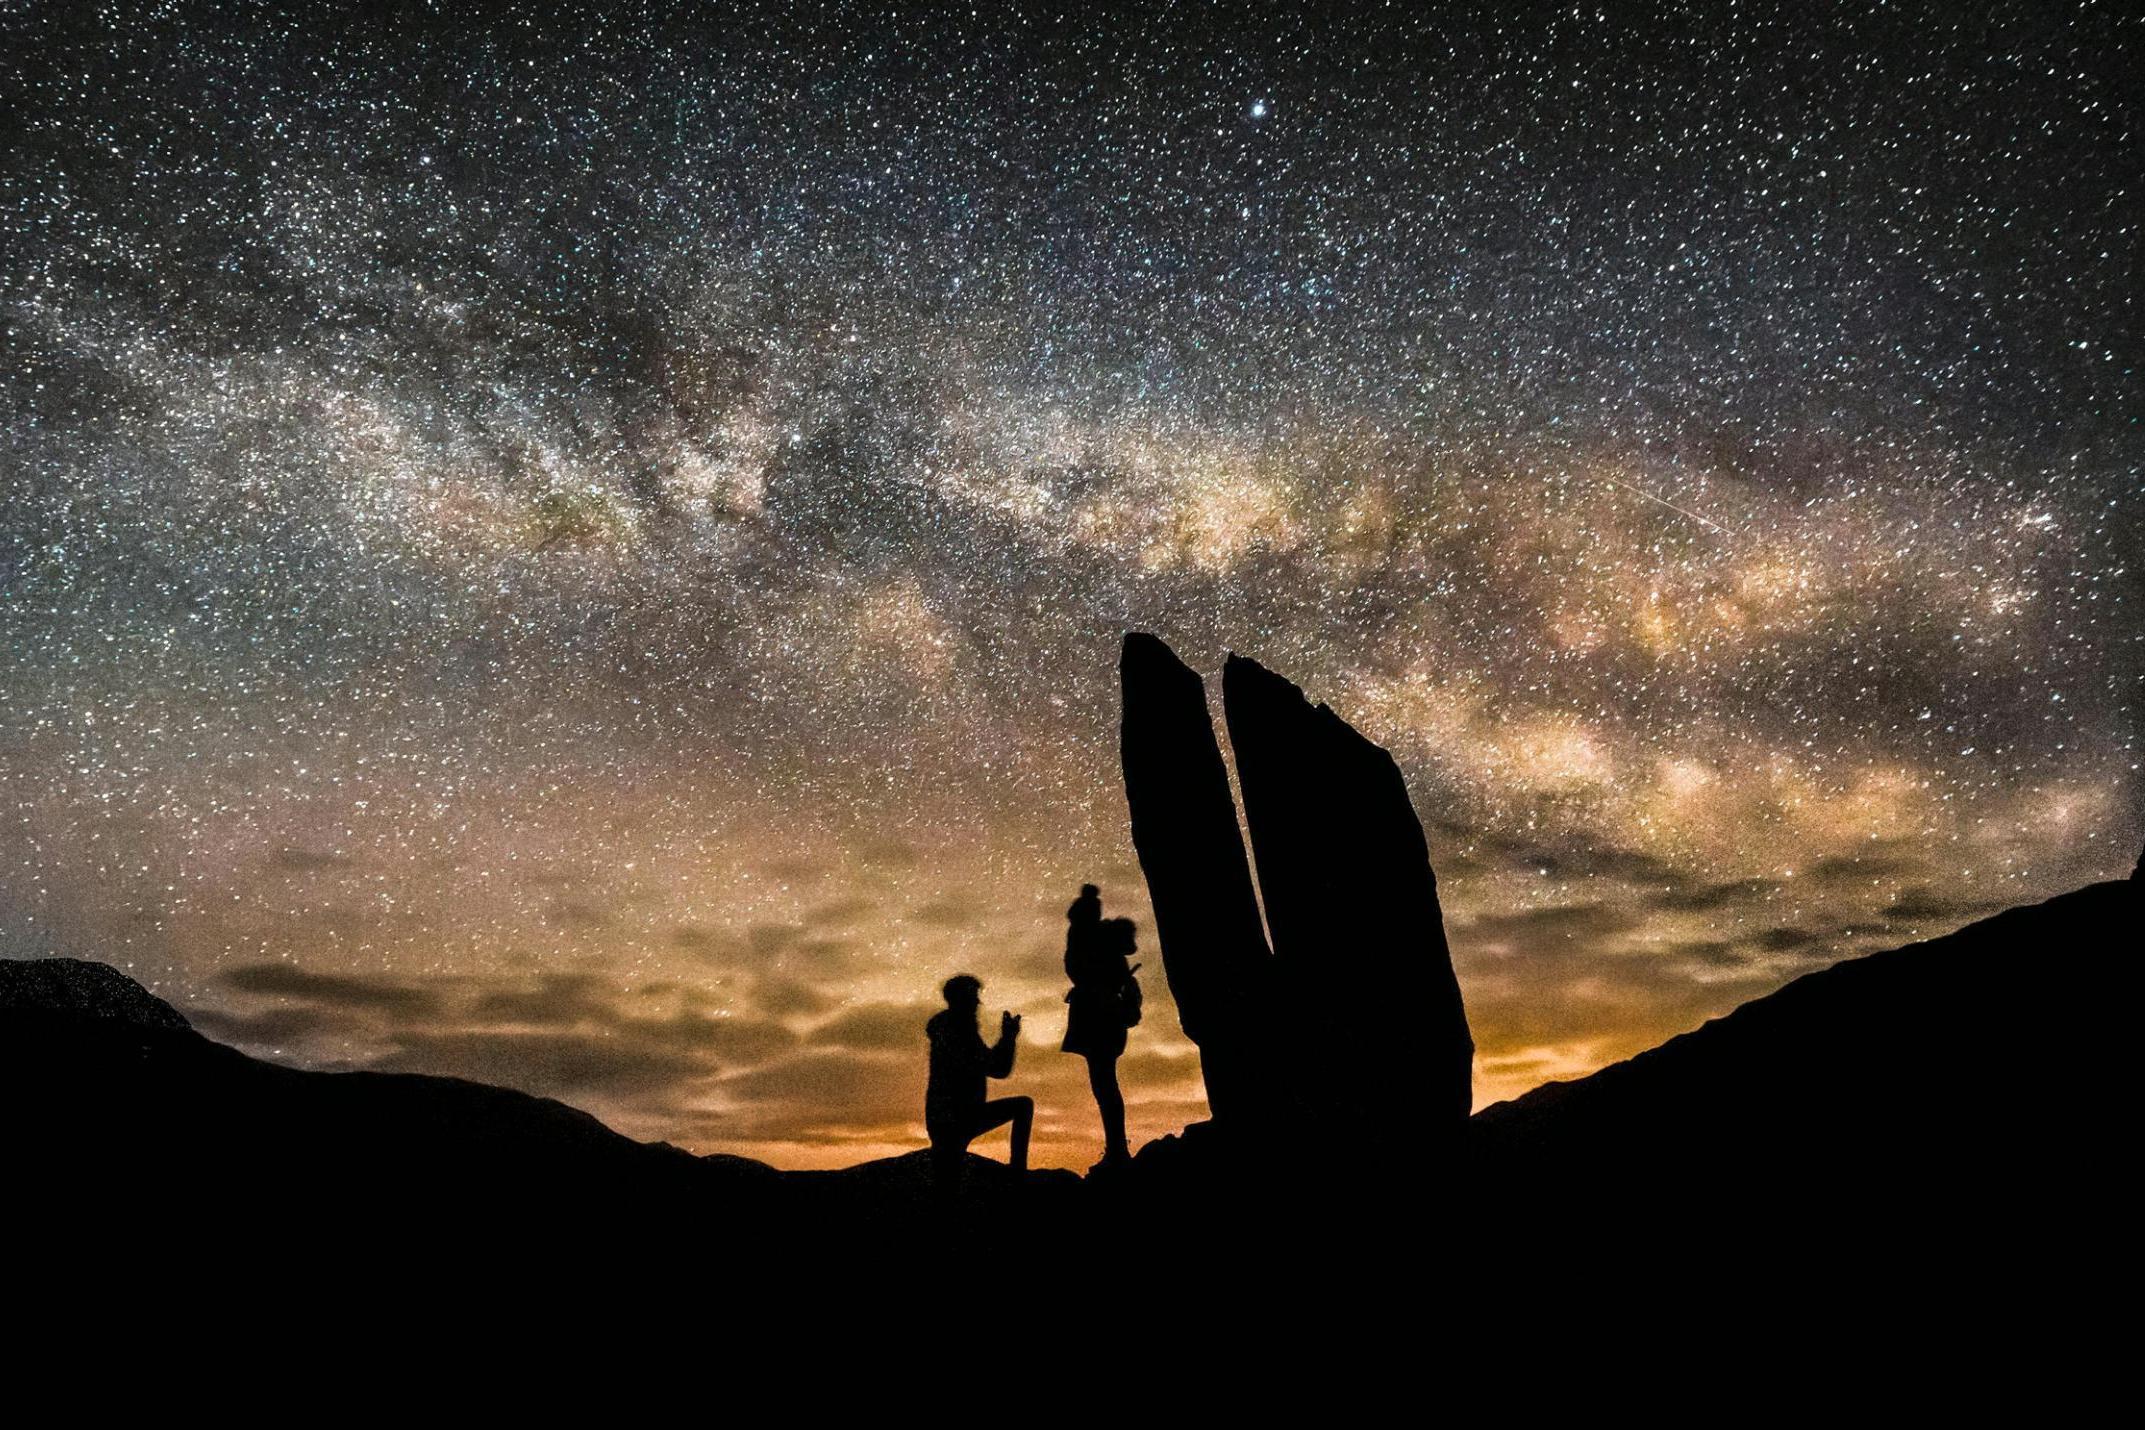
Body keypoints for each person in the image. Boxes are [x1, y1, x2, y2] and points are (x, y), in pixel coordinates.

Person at [1061, 887, 1140, 1170]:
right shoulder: (1095, 941)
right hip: (1103, 1018)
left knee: (1105, 1085)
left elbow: (1082, 970)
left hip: (1100, 1020)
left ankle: (1117, 1149)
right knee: (1105, 1085)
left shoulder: (1093, 942)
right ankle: (1117, 1147)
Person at [924, 974, 1031, 1183]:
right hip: (957, 1119)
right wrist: (1007, 1039)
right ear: (959, 1000)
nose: (977, 1003)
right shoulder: (957, 1031)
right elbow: (997, 1069)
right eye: (972, 997)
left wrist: (1008, 1038)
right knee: (1024, 1106)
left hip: (952, 1119)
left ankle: (1017, 1170)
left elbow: (996, 1068)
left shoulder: (954, 1030)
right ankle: (1018, 1171)